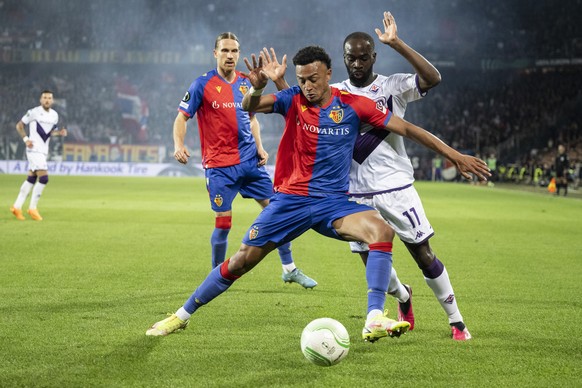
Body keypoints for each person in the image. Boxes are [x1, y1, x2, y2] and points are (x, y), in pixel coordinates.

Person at [145, 45, 490, 341]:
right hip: (289, 202)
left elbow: (409, 129)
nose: (307, 86)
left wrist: (455, 156)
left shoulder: (354, 104)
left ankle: (373, 316)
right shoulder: (291, 98)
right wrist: (257, 87)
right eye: (302, 80)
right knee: (240, 261)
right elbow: (251, 107)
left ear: (328, 74)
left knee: (381, 231)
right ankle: (181, 315)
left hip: (333, 204)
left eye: (313, 79)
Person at [330, 12, 473, 340]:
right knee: (371, 261)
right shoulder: (333, 94)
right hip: (354, 192)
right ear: (344, 59)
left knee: (423, 254)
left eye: (363, 57)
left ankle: (456, 320)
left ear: (373, 57)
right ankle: (403, 297)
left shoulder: (392, 85)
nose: (357, 63)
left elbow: (432, 78)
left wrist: (397, 43)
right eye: (351, 58)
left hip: (396, 188)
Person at [172, 32, 316, 288]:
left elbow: (251, 118)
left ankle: (289, 269)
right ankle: (216, 275)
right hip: (219, 167)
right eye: (225, 51)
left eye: (234, 51)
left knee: (278, 213)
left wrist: (260, 147)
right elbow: (182, 117)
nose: (230, 56)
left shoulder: (245, 82)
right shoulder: (201, 85)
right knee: (224, 223)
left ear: (239, 54)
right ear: (215, 53)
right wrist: (179, 144)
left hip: (250, 163)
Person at [10, 90, 67, 221]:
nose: (47, 100)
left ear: (52, 101)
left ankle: (16, 207)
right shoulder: (33, 112)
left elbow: (49, 132)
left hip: (43, 151)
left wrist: (60, 133)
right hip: (33, 149)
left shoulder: (54, 115)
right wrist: (26, 140)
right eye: (44, 98)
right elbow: (19, 125)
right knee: (44, 178)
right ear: (41, 100)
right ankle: (32, 208)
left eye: (49, 98)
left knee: (31, 179)